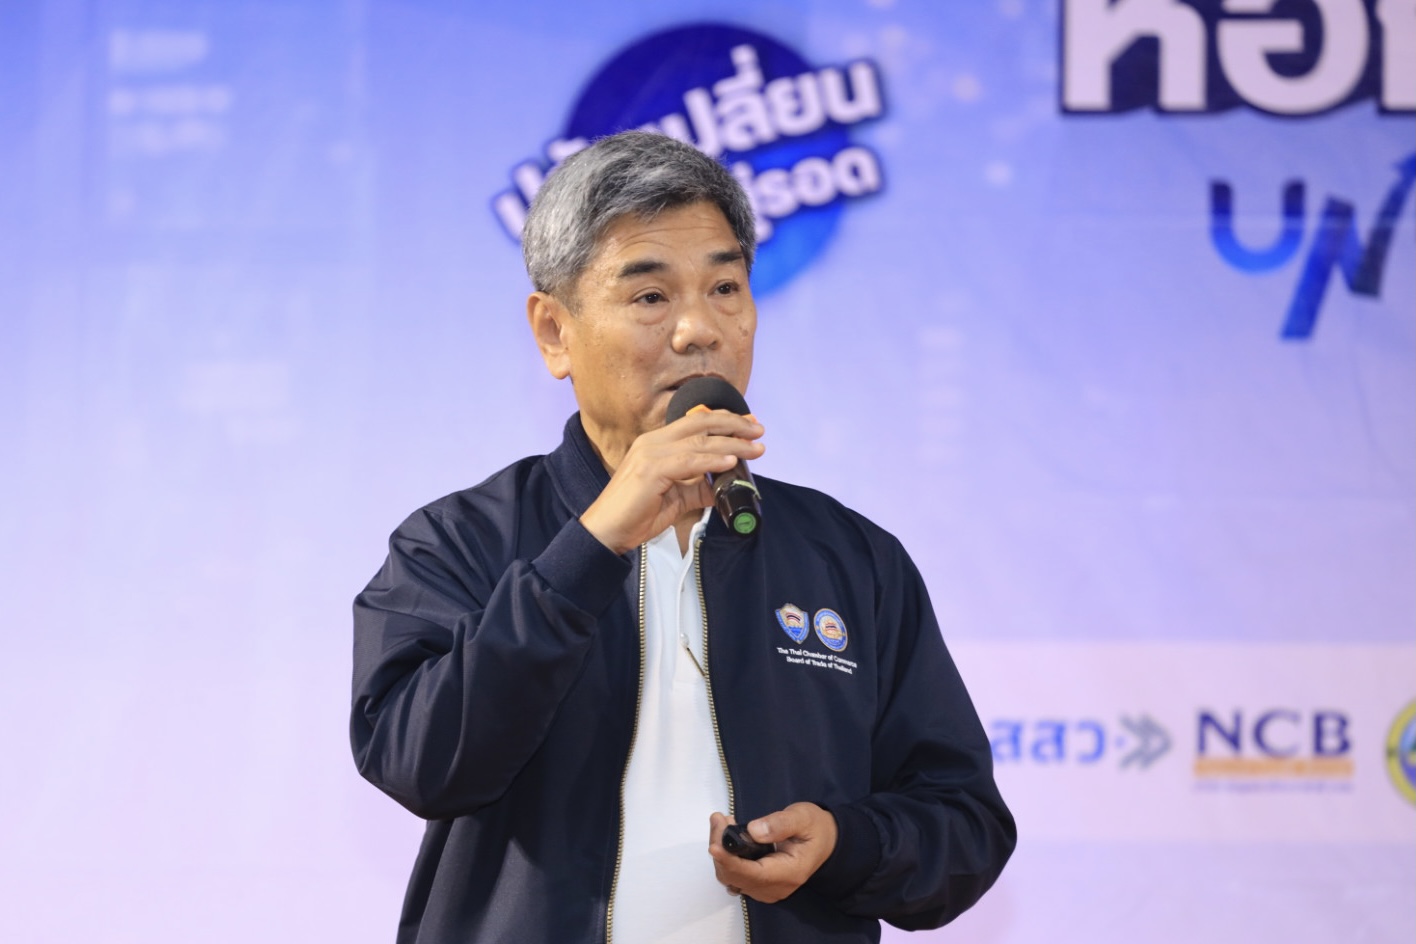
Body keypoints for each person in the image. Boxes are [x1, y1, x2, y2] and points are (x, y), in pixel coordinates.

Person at [350, 130, 1015, 943]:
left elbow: (965, 824)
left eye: (725, 287)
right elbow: (417, 762)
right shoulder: (458, 541)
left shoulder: (852, 559)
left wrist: (847, 844)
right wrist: (590, 548)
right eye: (650, 296)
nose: (700, 329)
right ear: (554, 332)